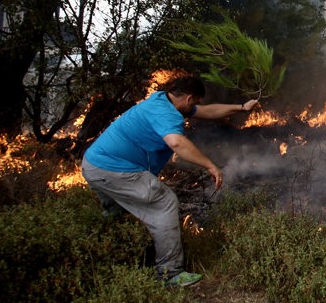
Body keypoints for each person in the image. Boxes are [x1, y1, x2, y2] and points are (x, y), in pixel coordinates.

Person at [81, 74, 260, 287]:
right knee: (164, 203)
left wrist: (242, 107)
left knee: (119, 214)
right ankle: (170, 274)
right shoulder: (167, 115)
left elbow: (207, 111)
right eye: (196, 102)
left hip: (94, 165)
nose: (196, 106)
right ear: (189, 98)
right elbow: (176, 143)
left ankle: (109, 260)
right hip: (114, 169)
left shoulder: (161, 99)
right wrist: (210, 165)